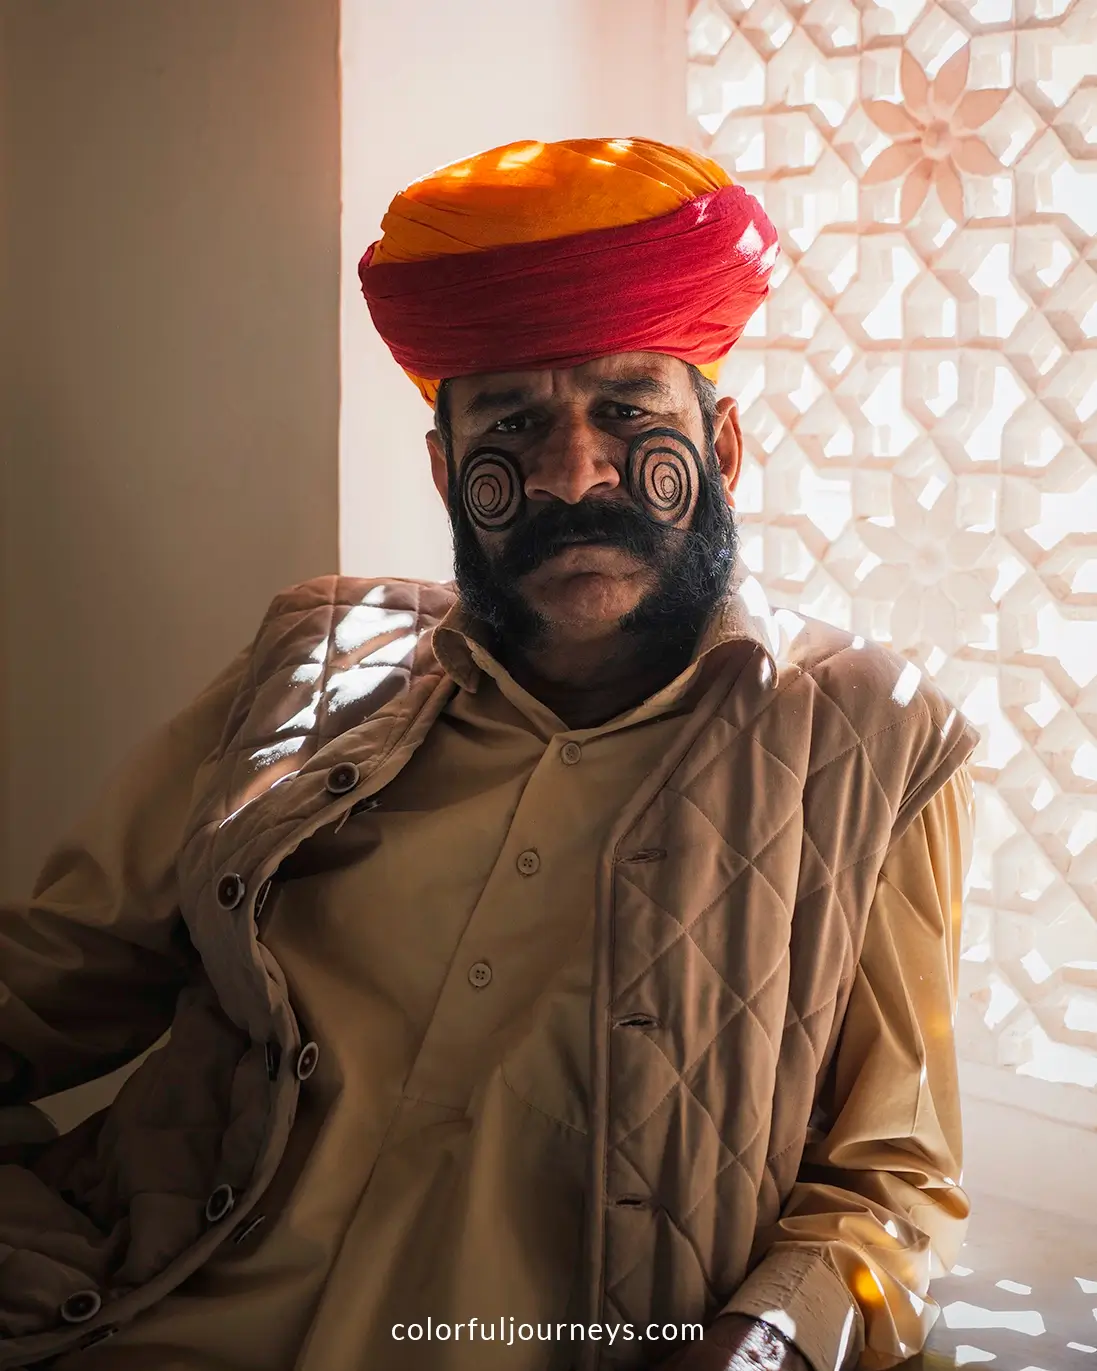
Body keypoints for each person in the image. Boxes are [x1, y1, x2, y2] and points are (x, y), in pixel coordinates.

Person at [0, 138, 976, 1371]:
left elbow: (890, 1188)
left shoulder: (875, 743)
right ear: (446, 472)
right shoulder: (313, 658)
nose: (574, 474)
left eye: (628, 411)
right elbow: (55, 972)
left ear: (719, 452)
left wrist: (764, 1344)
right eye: (512, 422)